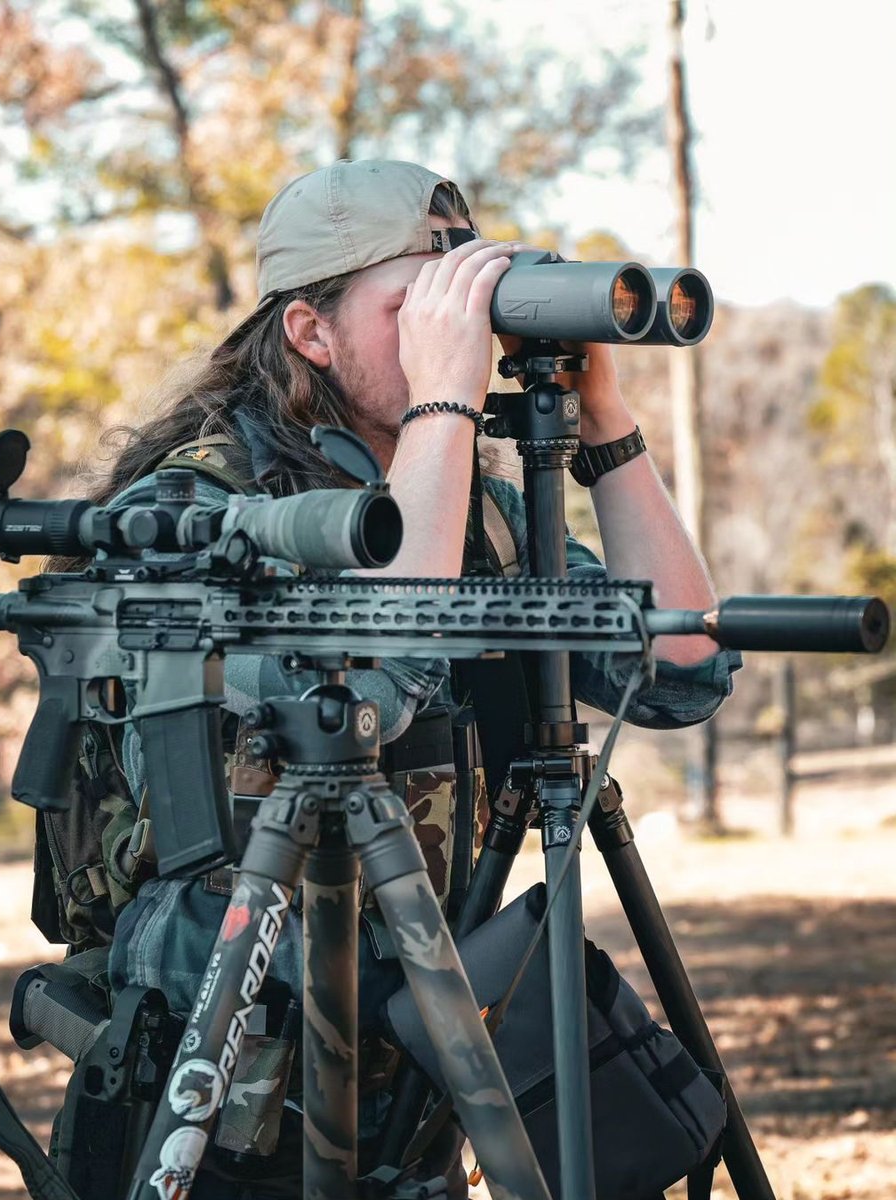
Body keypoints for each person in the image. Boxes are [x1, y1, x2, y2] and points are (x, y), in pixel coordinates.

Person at [93, 159, 739, 1197]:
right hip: (234, 1078)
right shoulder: (202, 508)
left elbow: (681, 672)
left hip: (420, 1066)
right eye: (418, 307)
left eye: (471, 303)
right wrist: (445, 403)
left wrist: (605, 423)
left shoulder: (474, 504)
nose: (462, 336)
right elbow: (384, 669)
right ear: (311, 333)